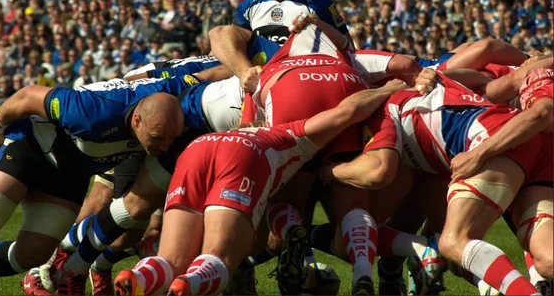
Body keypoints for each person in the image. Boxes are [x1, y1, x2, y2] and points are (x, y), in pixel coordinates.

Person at [112, 78, 409, 296]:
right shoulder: (290, 132)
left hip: (197, 148)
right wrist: (387, 90)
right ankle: (187, 286)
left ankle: (135, 277)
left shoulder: (242, 124)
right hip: (244, 154)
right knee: (219, 256)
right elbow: (347, 112)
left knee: (172, 259)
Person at [321, 70, 552, 296]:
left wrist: (329, 170)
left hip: (495, 141)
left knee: (454, 241)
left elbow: (377, 170)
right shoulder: (432, 79)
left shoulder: (383, 109)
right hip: (530, 140)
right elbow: (469, 73)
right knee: (548, 260)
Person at [0, 77, 190, 294]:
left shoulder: (176, 102)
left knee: (31, 256)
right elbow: (27, 96)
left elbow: (205, 72)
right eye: (159, 137)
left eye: (171, 138)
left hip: (69, 177)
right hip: (29, 148)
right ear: (137, 120)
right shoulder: (91, 110)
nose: (166, 146)